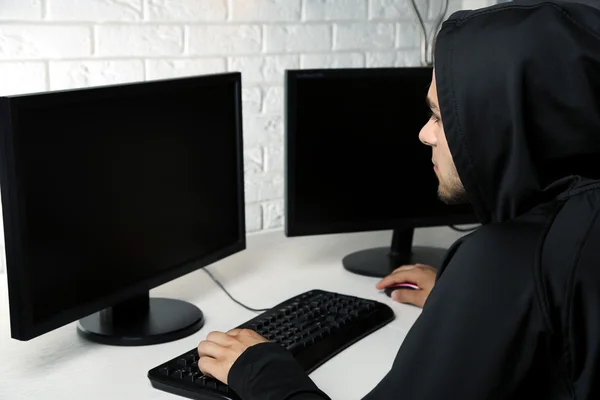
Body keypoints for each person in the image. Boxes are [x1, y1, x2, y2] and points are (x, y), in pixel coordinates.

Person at [196, 0, 600, 398]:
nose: (426, 134)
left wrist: (264, 372)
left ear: (505, 124)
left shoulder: (508, 260)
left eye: (444, 117)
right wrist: (467, 306)